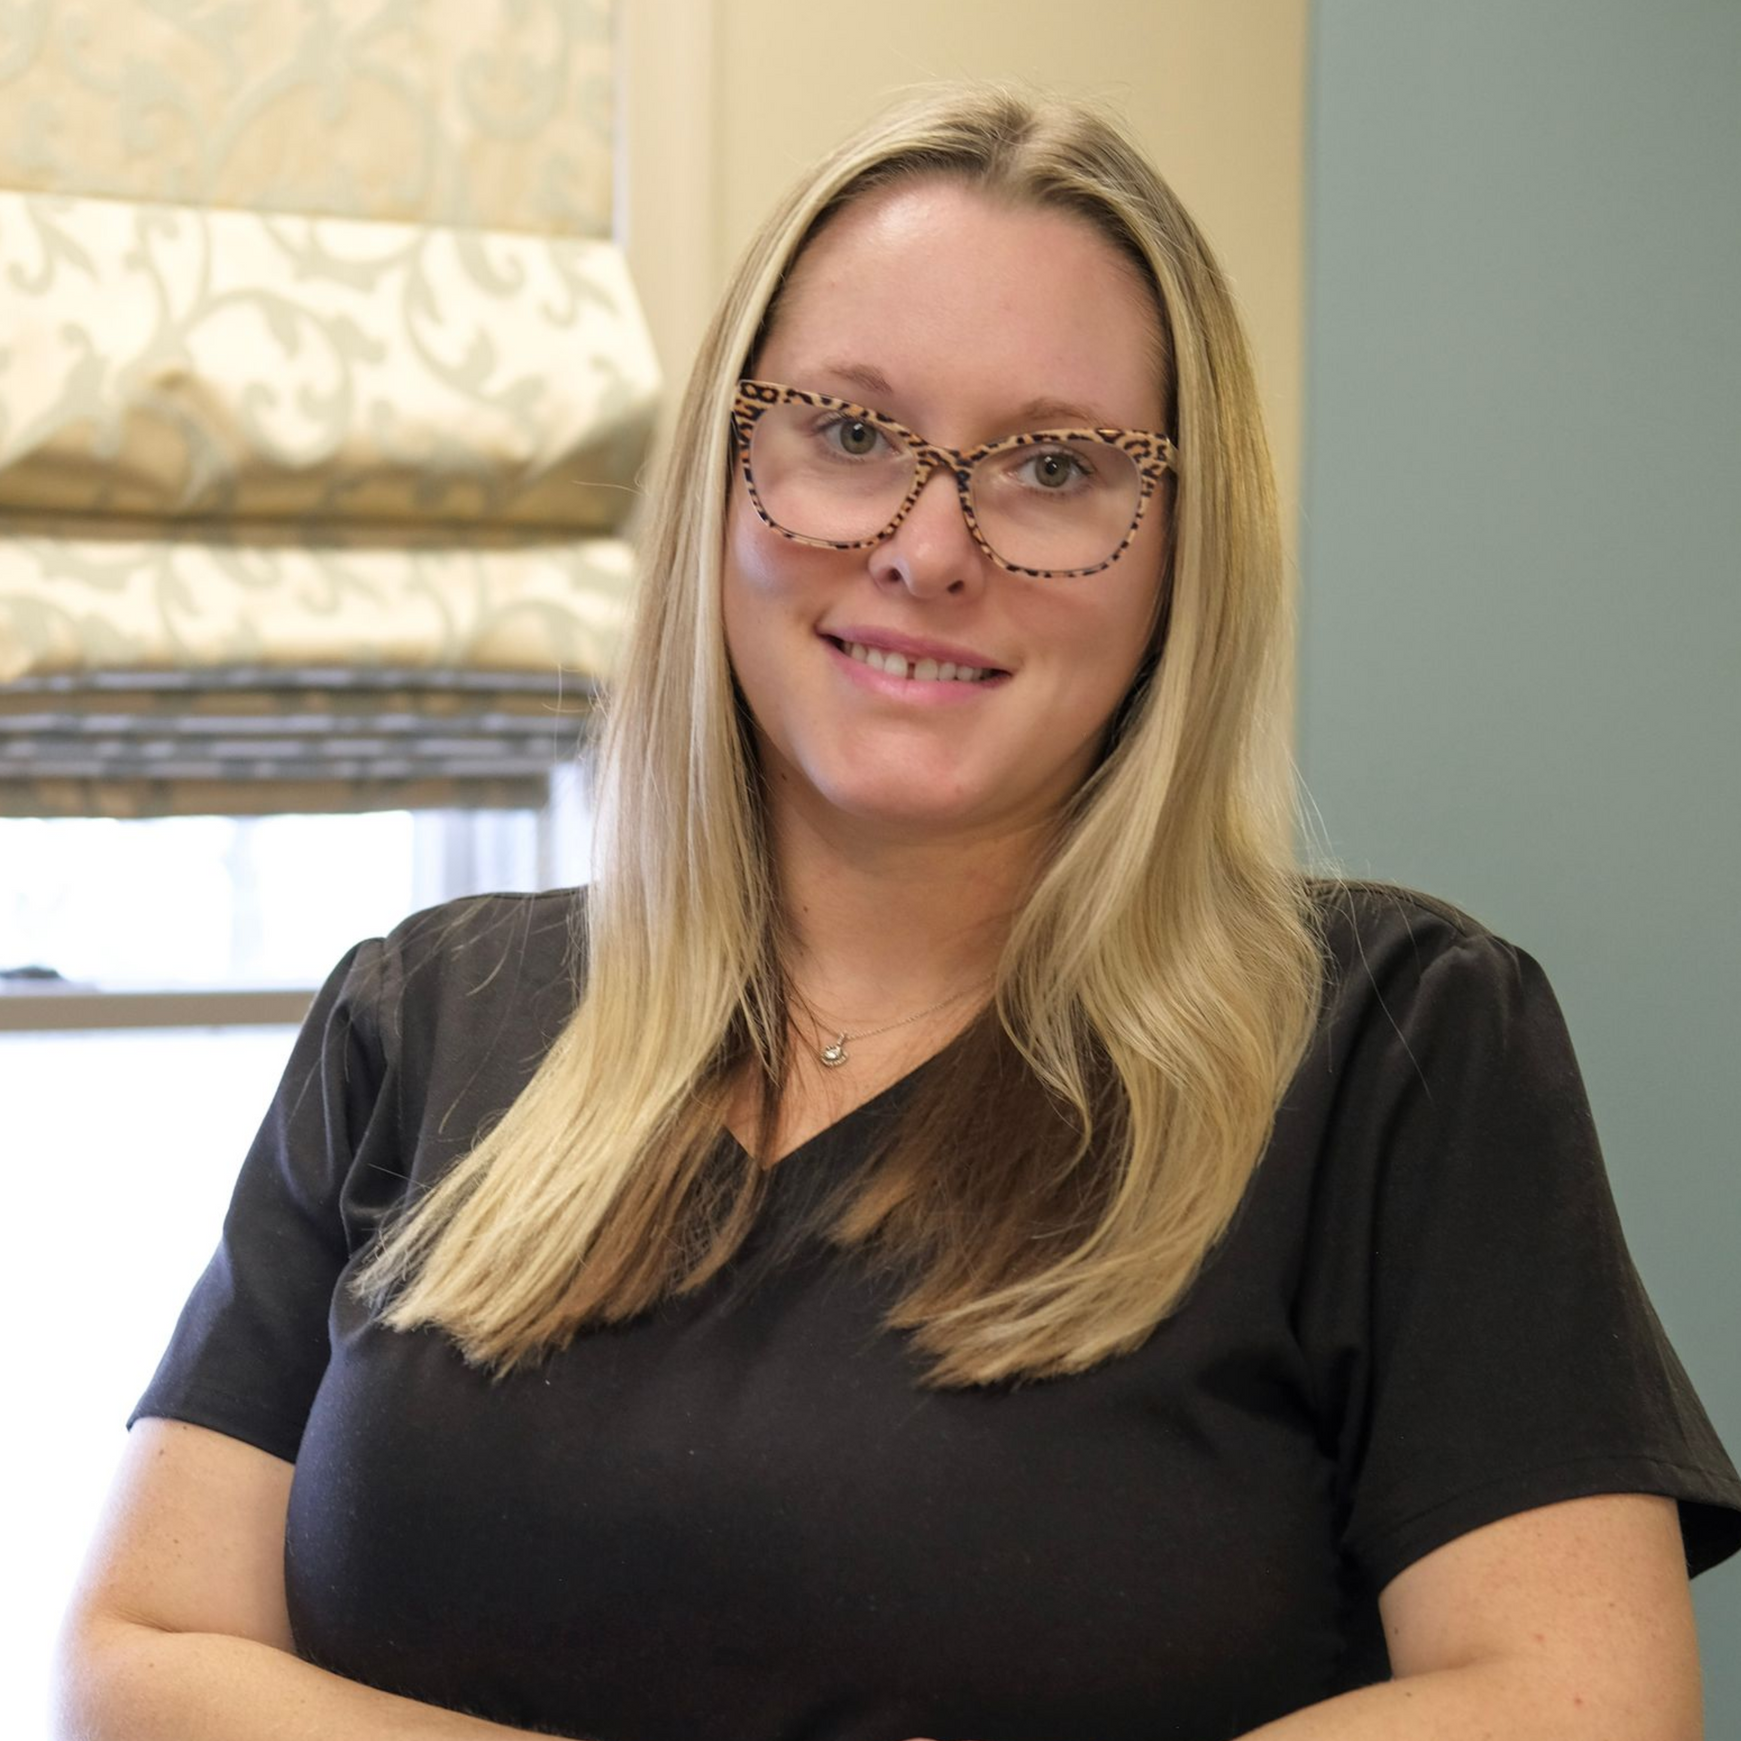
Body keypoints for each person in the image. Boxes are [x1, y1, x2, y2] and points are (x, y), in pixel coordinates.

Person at [56, 85, 1740, 1741]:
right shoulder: (420, 1017)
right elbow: (135, 1653)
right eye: (851, 435)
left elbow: (1579, 1702)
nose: (931, 549)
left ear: (1180, 549)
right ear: (725, 476)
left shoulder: (1402, 1045)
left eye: (1058, 468)